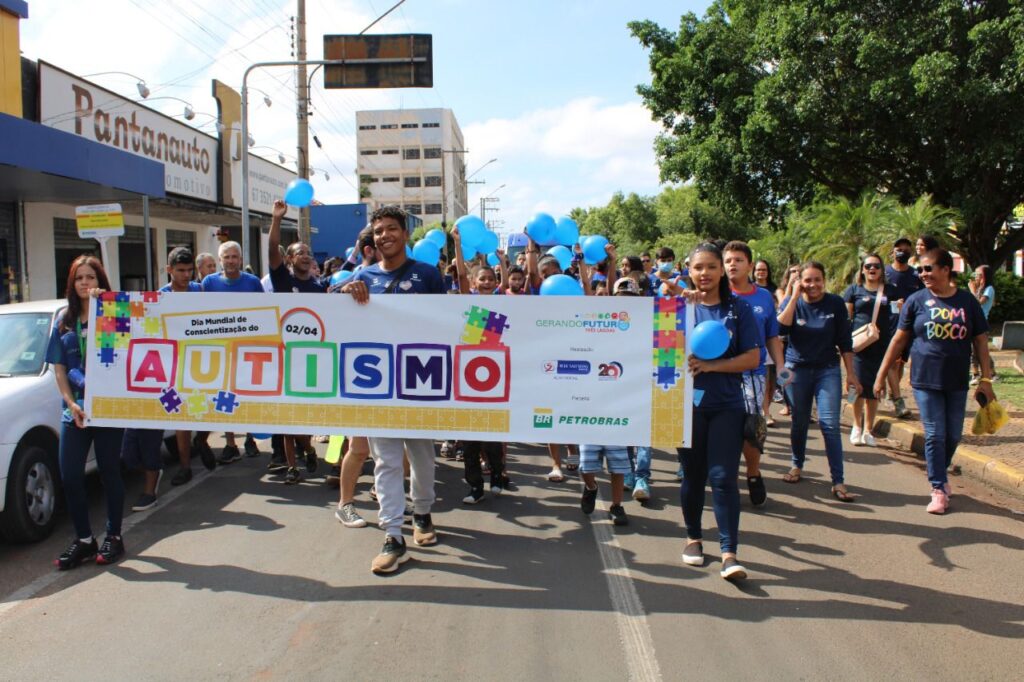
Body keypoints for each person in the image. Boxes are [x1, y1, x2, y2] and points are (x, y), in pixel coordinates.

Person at [341, 205, 445, 575]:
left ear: (405, 233)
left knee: (422, 456)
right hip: (378, 385)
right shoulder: (362, 277)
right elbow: (338, 320)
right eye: (378, 231)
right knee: (384, 461)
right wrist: (344, 294)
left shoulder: (428, 275)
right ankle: (393, 535)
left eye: (391, 229)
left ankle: (423, 514)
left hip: (420, 381)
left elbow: (446, 326)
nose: (384, 236)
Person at [660, 244, 759, 580]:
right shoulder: (679, 307)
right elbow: (658, 351)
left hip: (727, 406)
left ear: (722, 271)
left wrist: (713, 365)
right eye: (698, 267)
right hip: (685, 405)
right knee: (693, 475)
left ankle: (729, 553)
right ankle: (693, 539)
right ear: (689, 269)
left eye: (711, 267)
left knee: (723, 477)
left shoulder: (740, 310)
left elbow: (753, 358)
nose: (705, 274)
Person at [874, 249, 995, 514]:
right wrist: (881, 375)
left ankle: (939, 471)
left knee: (952, 435)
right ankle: (938, 487)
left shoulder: (967, 302)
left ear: (945, 270)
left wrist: (985, 379)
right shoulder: (916, 301)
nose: (923, 274)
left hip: (957, 381)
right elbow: (898, 340)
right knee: (934, 434)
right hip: (925, 380)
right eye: (920, 270)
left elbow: (981, 342)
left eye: (928, 269)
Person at [47, 256, 127, 569]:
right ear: (71, 283)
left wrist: (106, 307)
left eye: (90, 277)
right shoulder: (64, 321)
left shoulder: (114, 314)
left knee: (110, 473)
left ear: (100, 281)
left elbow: (127, 352)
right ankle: (83, 539)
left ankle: (114, 537)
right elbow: (59, 369)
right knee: (70, 476)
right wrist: (71, 403)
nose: (85, 283)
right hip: (76, 412)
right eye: (79, 278)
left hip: (107, 410)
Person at [777, 261, 860, 502]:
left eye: (817, 280)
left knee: (829, 425)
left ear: (824, 280)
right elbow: (781, 327)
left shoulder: (835, 303)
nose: (812, 285)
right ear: (799, 281)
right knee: (799, 421)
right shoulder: (793, 302)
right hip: (796, 371)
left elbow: (845, 341)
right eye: (807, 280)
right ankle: (796, 465)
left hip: (827, 370)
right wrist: (793, 297)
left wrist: (851, 375)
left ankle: (838, 480)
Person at [724, 241, 789, 507]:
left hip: (753, 374)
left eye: (738, 260)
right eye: (728, 260)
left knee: (751, 428)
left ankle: (753, 472)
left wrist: (782, 367)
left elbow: (772, 335)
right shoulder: (712, 294)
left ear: (750, 265)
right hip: (719, 374)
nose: (732, 265)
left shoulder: (763, 297)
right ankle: (726, 478)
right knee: (725, 429)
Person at [269, 199, 325, 483]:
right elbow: (272, 251)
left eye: (308, 252)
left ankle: (308, 449)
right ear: (289, 260)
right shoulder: (281, 280)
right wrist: (277, 219)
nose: (305, 255)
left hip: (312, 360)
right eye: (299, 252)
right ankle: (293, 466)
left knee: (300, 417)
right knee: (286, 418)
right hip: (283, 358)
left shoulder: (320, 288)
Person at [201, 240, 264, 464]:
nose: (230, 261)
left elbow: (265, 313)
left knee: (247, 395)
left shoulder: (253, 283)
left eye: (234, 257)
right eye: (226, 257)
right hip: (221, 350)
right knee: (224, 397)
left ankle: (250, 438)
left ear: (240, 259)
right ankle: (230, 443)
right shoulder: (208, 282)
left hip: (248, 349)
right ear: (220, 261)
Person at [158, 247, 214, 485]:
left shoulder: (199, 291)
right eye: (181, 270)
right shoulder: (160, 296)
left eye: (190, 270)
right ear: (169, 270)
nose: (186, 275)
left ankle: (201, 440)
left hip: (201, 360)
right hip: (172, 364)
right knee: (179, 416)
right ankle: (184, 467)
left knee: (210, 409)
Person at [843, 254, 898, 447]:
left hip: (881, 345)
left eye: (876, 266)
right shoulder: (853, 290)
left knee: (875, 388)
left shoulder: (890, 291)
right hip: (858, 346)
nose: (872, 269)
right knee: (857, 387)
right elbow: (846, 317)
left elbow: (898, 315)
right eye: (868, 266)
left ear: (882, 269)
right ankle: (857, 426)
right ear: (862, 270)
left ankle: (869, 429)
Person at [884, 238, 922, 418]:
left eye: (907, 250)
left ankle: (892, 392)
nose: (902, 252)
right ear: (893, 251)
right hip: (887, 326)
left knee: (899, 365)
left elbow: (923, 298)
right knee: (891, 363)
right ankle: (898, 401)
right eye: (899, 249)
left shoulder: (916, 275)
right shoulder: (884, 273)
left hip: (909, 328)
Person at [968, 264, 996, 384]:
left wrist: (972, 291)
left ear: (983, 276)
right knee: (973, 349)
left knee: (981, 349)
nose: (975, 277)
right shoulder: (980, 289)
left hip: (981, 322)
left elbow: (978, 304)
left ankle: (992, 373)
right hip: (973, 321)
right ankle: (975, 374)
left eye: (977, 274)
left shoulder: (989, 289)